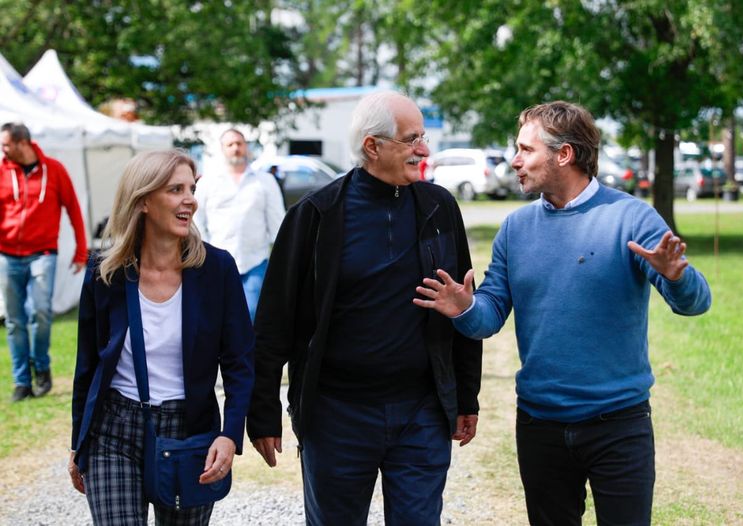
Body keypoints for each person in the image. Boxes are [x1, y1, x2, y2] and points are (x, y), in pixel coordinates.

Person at [414, 101, 712, 525]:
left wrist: (678, 277)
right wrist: (464, 308)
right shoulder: (515, 230)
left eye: (525, 150)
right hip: (540, 426)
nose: (515, 161)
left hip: (619, 426)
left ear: (564, 154)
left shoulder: (632, 218)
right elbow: (489, 317)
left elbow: (696, 304)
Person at [247, 91, 483, 525]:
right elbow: (274, 322)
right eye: (412, 139)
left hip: (421, 413)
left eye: (423, 137)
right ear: (373, 146)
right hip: (337, 415)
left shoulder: (439, 208)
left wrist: (466, 396)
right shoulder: (315, 215)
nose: (424, 150)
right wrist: (261, 413)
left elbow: (461, 304)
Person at [68, 150, 254, 525]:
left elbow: (240, 363)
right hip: (113, 433)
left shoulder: (217, 269)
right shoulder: (105, 273)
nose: (190, 200)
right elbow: (87, 365)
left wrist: (230, 435)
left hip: (188, 431)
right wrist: (78, 441)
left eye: (191, 188)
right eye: (175, 189)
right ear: (144, 202)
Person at [1, 122, 88, 402]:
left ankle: (41, 364)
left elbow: (73, 209)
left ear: (22, 143)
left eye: (6, 145)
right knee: (14, 321)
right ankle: (21, 381)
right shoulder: (2, 171)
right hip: (7, 255)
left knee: (40, 312)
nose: (2, 150)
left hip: (43, 254)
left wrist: (81, 250)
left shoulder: (54, 170)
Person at [194, 129, 285, 321]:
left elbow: (278, 223)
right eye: (230, 144)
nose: (236, 148)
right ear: (222, 149)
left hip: (254, 262)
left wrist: (283, 261)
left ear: (246, 147)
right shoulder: (208, 182)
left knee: (250, 317)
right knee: (217, 317)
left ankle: (248, 352)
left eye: (239, 143)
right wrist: (204, 253)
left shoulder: (265, 181)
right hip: (216, 263)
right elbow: (197, 220)